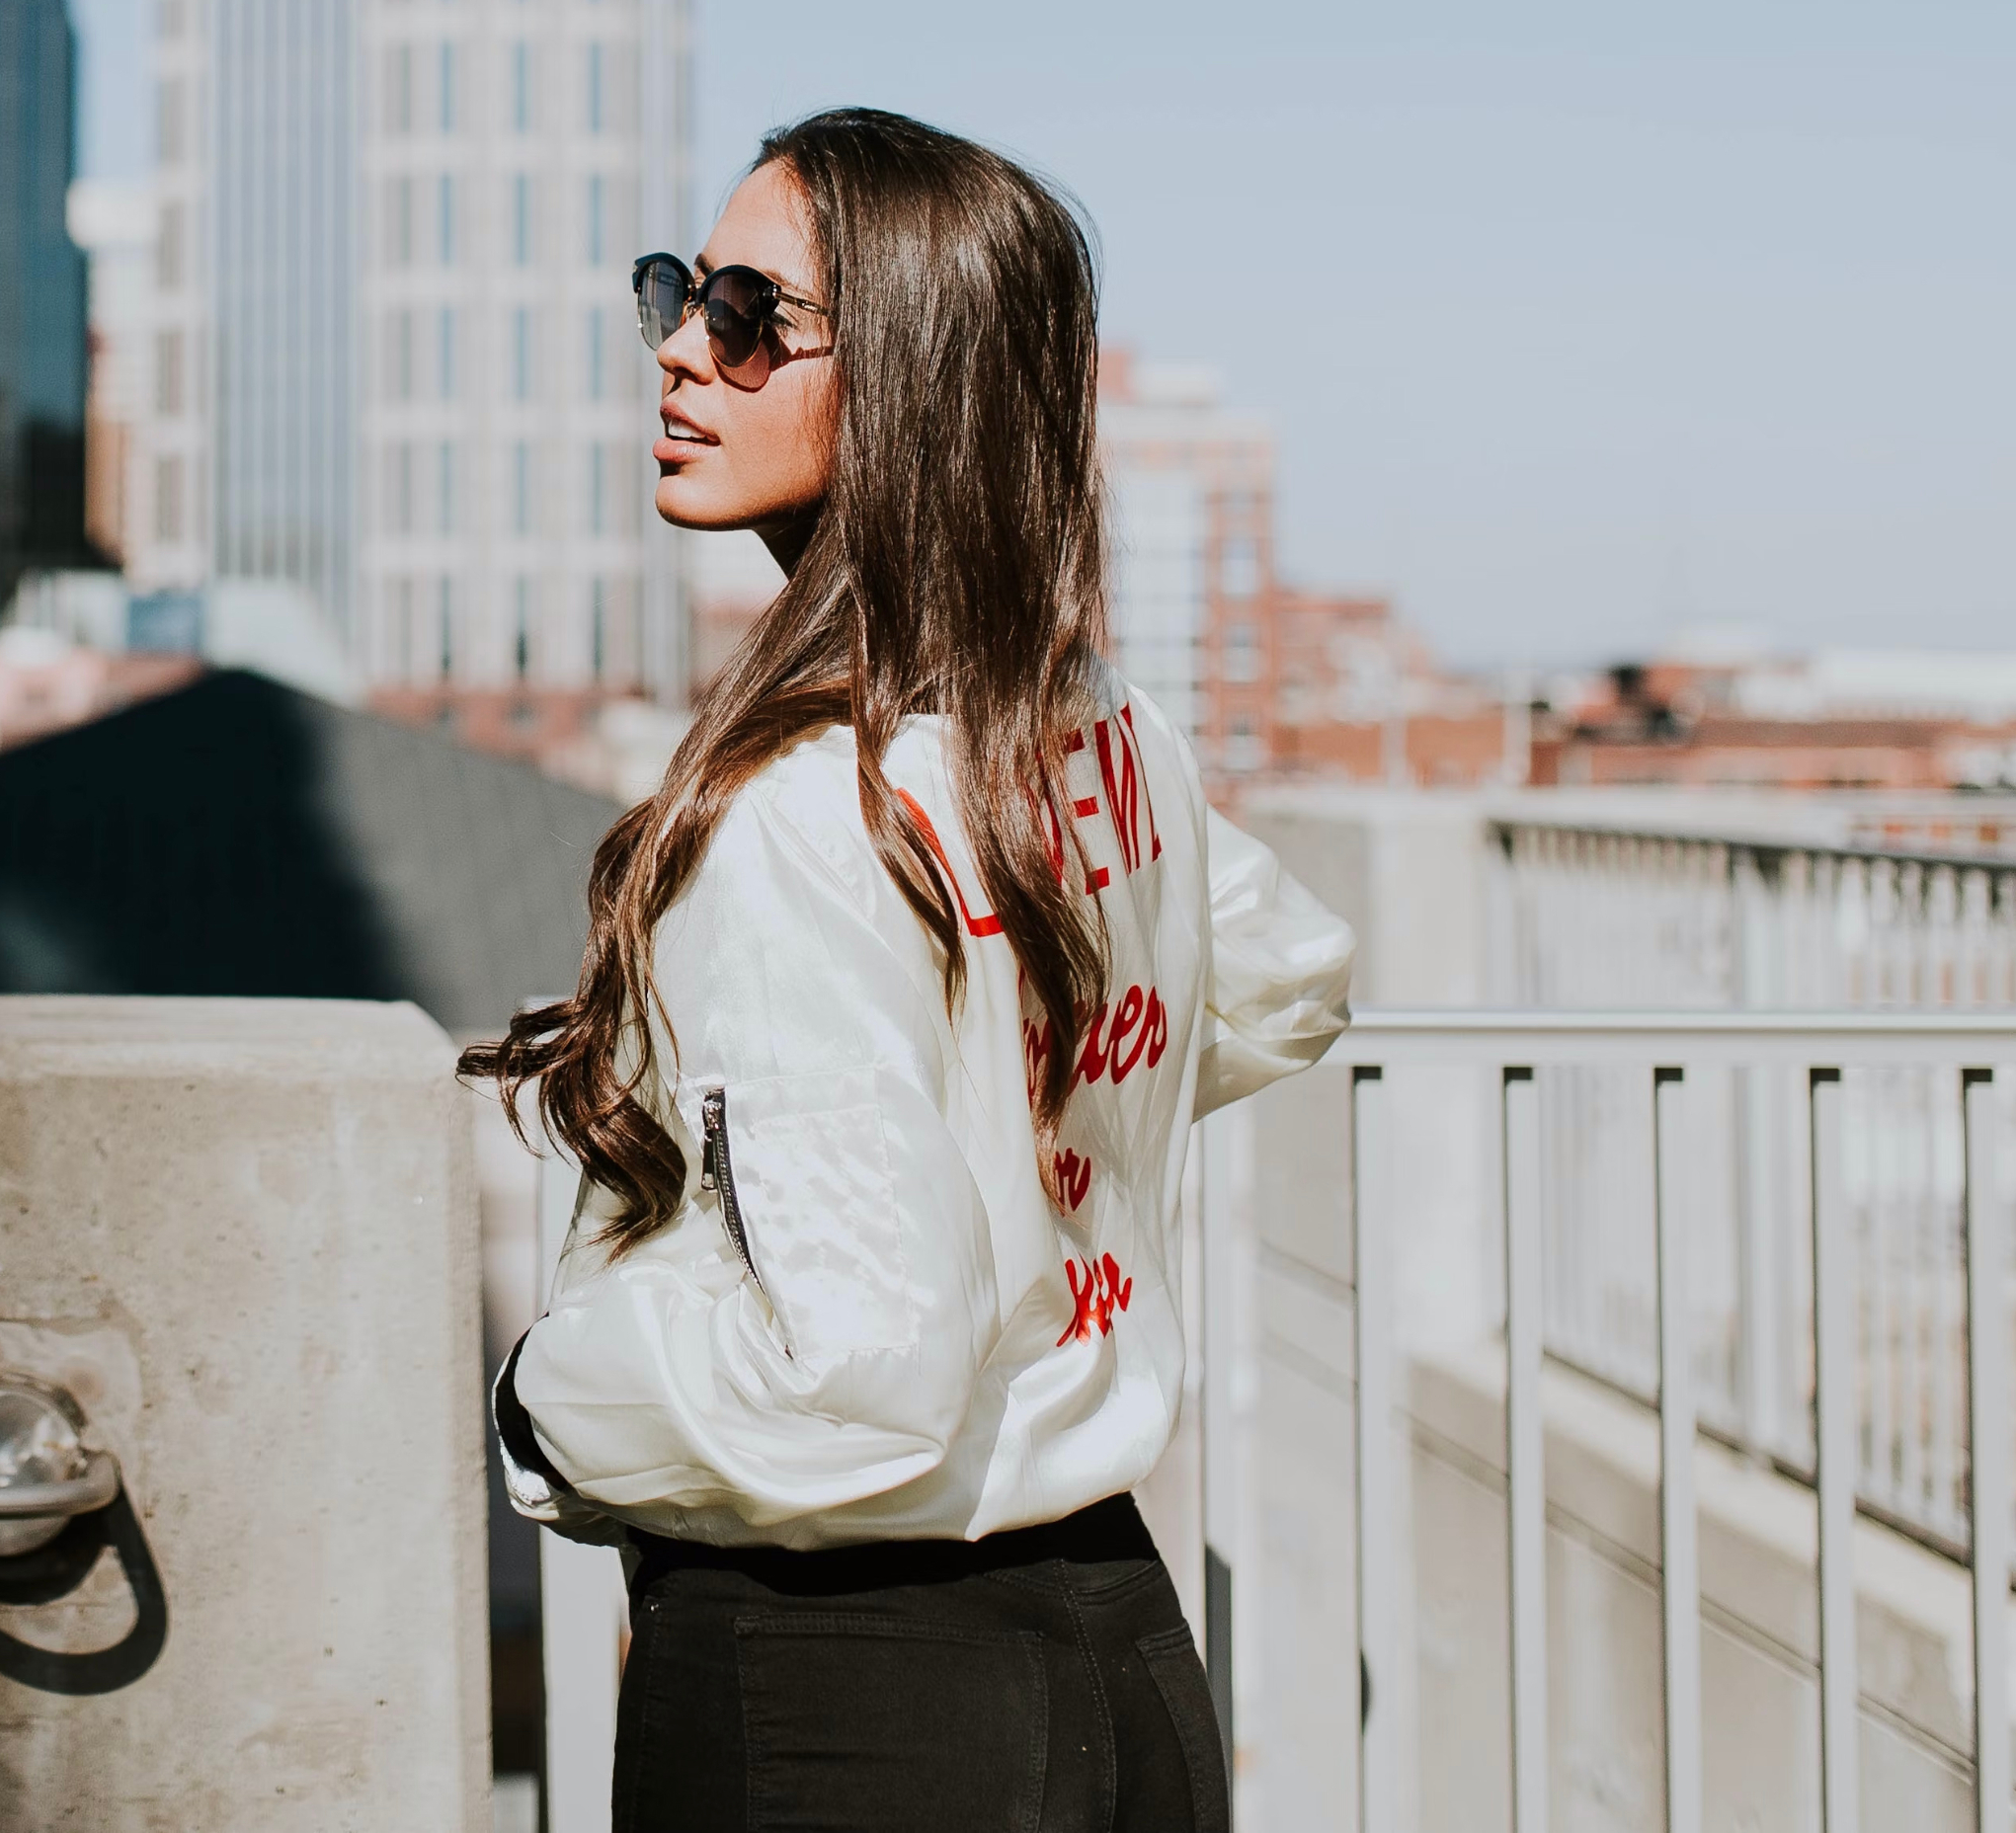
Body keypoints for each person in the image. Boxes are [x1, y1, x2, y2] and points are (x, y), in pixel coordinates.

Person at [469, 109, 1356, 1832]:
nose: (676, 348)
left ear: (912, 383)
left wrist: (546, 1393)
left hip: (846, 1695)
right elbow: (1282, 976)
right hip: (1118, 1658)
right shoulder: (1084, 724)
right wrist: (1018, 1112)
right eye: (680, 291)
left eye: (744, 314)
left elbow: (858, 1379)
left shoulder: (805, 807)